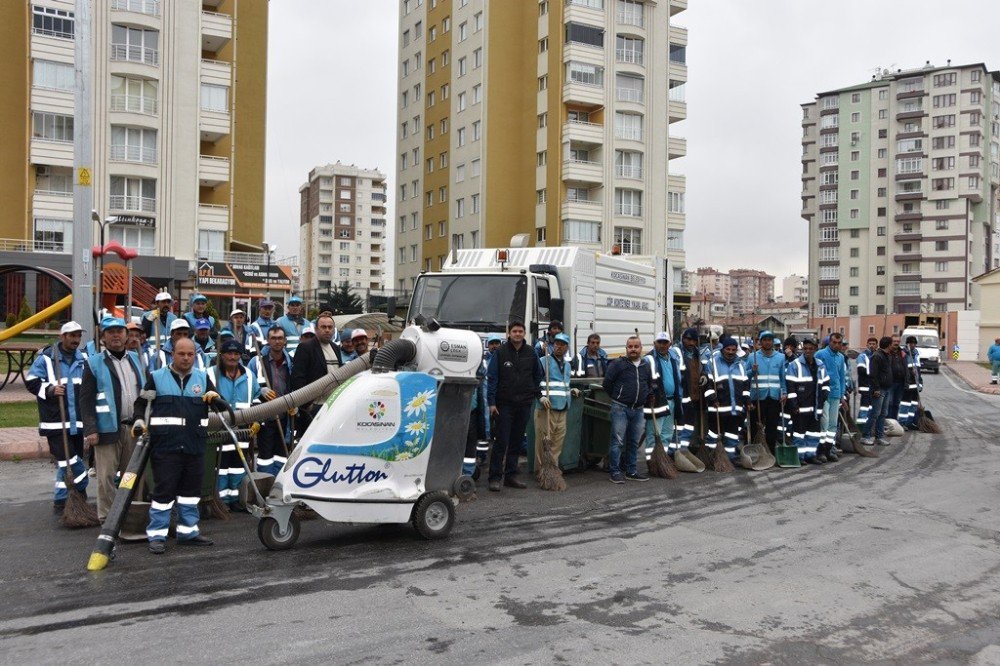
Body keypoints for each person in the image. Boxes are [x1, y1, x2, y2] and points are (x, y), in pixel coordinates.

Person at [132, 337, 216, 553]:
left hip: (194, 445)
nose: (186, 358)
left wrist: (215, 397)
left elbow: (217, 404)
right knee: (163, 493)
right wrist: (140, 420)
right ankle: (157, 536)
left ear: (195, 356)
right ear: (172, 354)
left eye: (190, 354)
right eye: (182, 354)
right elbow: (141, 405)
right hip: (165, 447)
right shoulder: (157, 378)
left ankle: (188, 532)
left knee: (190, 492)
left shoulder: (202, 378)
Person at [79, 317, 145, 522]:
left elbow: (144, 392)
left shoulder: (136, 359)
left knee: (132, 475)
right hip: (107, 428)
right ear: (103, 337)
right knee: (106, 477)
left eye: (119, 331)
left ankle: (131, 515)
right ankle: (107, 518)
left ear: (126, 335)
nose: (116, 335)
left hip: (134, 428)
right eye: (110, 332)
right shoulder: (94, 363)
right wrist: (90, 429)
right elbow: (85, 399)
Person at [25, 321, 88, 513]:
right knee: (70, 461)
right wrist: (50, 389)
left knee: (66, 463)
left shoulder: (84, 358)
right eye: (72, 336)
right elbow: (31, 382)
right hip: (55, 422)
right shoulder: (46, 358)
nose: (76, 340)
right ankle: (81, 486)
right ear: (63, 337)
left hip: (77, 422)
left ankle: (61, 500)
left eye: (78, 336)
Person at [485, 320, 542, 491]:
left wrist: (533, 393)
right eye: (514, 331)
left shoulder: (531, 353)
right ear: (509, 334)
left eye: (520, 331)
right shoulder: (500, 353)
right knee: (501, 441)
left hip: (524, 404)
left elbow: (538, 375)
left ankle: (511, 476)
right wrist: (492, 402)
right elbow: (492, 378)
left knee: (516, 441)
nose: (517, 334)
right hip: (504, 405)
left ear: (524, 334)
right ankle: (494, 478)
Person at [208, 339, 261, 508]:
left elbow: (257, 399)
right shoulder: (209, 374)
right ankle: (221, 501)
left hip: (243, 430)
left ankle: (237, 500)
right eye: (229, 353)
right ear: (221, 355)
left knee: (239, 466)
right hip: (218, 430)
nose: (232, 357)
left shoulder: (250, 376)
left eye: (236, 354)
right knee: (221, 467)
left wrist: (257, 420)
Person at [602, 336, 655, 483]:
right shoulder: (618, 364)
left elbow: (648, 384)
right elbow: (607, 383)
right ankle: (615, 471)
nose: (633, 349)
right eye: (630, 346)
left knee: (633, 442)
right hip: (620, 408)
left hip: (638, 409)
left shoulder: (645, 365)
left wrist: (649, 395)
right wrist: (617, 397)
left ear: (641, 348)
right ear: (626, 349)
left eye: (636, 346)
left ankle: (631, 470)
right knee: (617, 441)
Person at [248, 326, 295, 475]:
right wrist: (260, 391)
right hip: (265, 417)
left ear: (285, 341)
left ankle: (279, 483)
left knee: (282, 455)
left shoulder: (291, 363)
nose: (277, 341)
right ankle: (266, 483)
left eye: (280, 338)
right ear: (268, 340)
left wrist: (295, 404)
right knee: (265, 456)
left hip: (285, 417)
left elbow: (296, 385)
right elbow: (248, 385)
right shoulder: (256, 362)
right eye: (273, 338)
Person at [290, 313, 343, 439]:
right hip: (313, 407)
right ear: (316, 329)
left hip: (332, 406)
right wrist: (307, 405)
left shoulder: (335, 348)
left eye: (330, 327)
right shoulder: (305, 347)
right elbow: (297, 378)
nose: (327, 330)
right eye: (323, 327)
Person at [534, 333, 577, 484]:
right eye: (557, 343)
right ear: (553, 345)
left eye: (563, 344)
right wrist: (540, 397)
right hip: (547, 408)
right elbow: (534, 383)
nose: (559, 346)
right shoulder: (543, 361)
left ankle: (552, 468)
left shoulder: (567, 365)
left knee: (557, 442)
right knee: (544, 441)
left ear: (567, 347)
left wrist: (571, 391)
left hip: (563, 408)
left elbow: (563, 385)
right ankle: (541, 471)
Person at [703, 337, 751, 461]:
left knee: (732, 435)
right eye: (728, 349)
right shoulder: (712, 362)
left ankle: (729, 459)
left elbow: (745, 385)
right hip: (717, 408)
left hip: (735, 408)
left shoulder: (741, 364)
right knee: (713, 435)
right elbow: (707, 385)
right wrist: (713, 399)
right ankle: (712, 457)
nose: (730, 352)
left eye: (733, 350)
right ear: (722, 349)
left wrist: (747, 401)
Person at [785, 338, 829, 463]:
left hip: (816, 406)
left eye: (811, 348)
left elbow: (826, 382)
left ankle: (811, 455)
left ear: (815, 349)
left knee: (813, 433)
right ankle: (800, 457)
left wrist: (825, 395)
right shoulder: (795, 364)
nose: (808, 351)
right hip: (800, 407)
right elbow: (790, 386)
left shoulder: (820, 364)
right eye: (805, 348)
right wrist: (794, 405)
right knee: (799, 434)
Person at [745, 330, 786, 454]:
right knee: (755, 425)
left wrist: (784, 392)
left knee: (772, 426)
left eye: (770, 340)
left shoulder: (780, 357)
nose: (767, 342)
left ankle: (770, 452)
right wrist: (752, 371)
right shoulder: (753, 357)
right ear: (760, 342)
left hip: (774, 397)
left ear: (773, 342)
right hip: (757, 397)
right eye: (765, 340)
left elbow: (782, 377)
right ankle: (755, 451)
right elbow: (745, 377)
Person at [644, 332, 683, 458]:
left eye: (665, 342)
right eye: (659, 342)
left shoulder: (673, 358)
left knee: (667, 434)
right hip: (657, 402)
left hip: (672, 401)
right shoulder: (649, 359)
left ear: (669, 344)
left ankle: (662, 459)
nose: (662, 345)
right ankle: (652, 461)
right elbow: (644, 380)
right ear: (654, 343)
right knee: (654, 433)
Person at [815, 332, 846, 462]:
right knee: (824, 423)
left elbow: (842, 377)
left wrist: (842, 395)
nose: (837, 345)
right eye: (834, 342)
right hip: (824, 394)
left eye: (839, 343)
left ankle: (828, 449)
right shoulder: (820, 354)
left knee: (833, 424)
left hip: (836, 393)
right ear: (830, 342)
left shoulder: (841, 357)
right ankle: (820, 451)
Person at [677, 327, 708, 452]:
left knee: (690, 425)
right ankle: (675, 451)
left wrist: (704, 375)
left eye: (693, 340)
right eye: (688, 339)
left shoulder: (698, 353)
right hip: (681, 395)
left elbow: (705, 369)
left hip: (695, 395)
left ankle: (686, 449)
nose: (690, 343)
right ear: (683, 339)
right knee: (679, 426)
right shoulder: (677, 352)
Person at [861, 336, 894, 447]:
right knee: (875, 413)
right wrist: (875, 389)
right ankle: (865, 436)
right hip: (879, 390)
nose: (893, 346)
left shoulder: (887, 356)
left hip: (886, 388)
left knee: (882, 414)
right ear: (888, 345)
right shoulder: (877, 356)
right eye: (892, 344)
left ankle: (879, 437)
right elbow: (873, 375)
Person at [856, 337, 878, 428]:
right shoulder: (862, 356)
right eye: (870, 344)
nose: (872, 345)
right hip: (865, 385)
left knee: (872, 407)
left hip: (874, 385)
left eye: (873, 344)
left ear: (877, 345)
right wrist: (874, 373)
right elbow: (861, 370)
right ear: (867, 345)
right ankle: (861, 426)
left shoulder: (877, 355)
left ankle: (869, 426)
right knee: (864, 407)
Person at [901, 336, 923, 429]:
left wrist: (920, 383)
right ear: (907, 344)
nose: (913, 345)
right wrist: (910, 372)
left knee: (914, 404)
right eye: (910, 343)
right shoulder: (903, 353)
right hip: (908, 383)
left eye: (914, 343)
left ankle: (910, 422)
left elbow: (918, 370)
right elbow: (902, 369)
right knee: (905, 403)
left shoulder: (916, 354)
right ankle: (902, 422)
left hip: (915, 384)